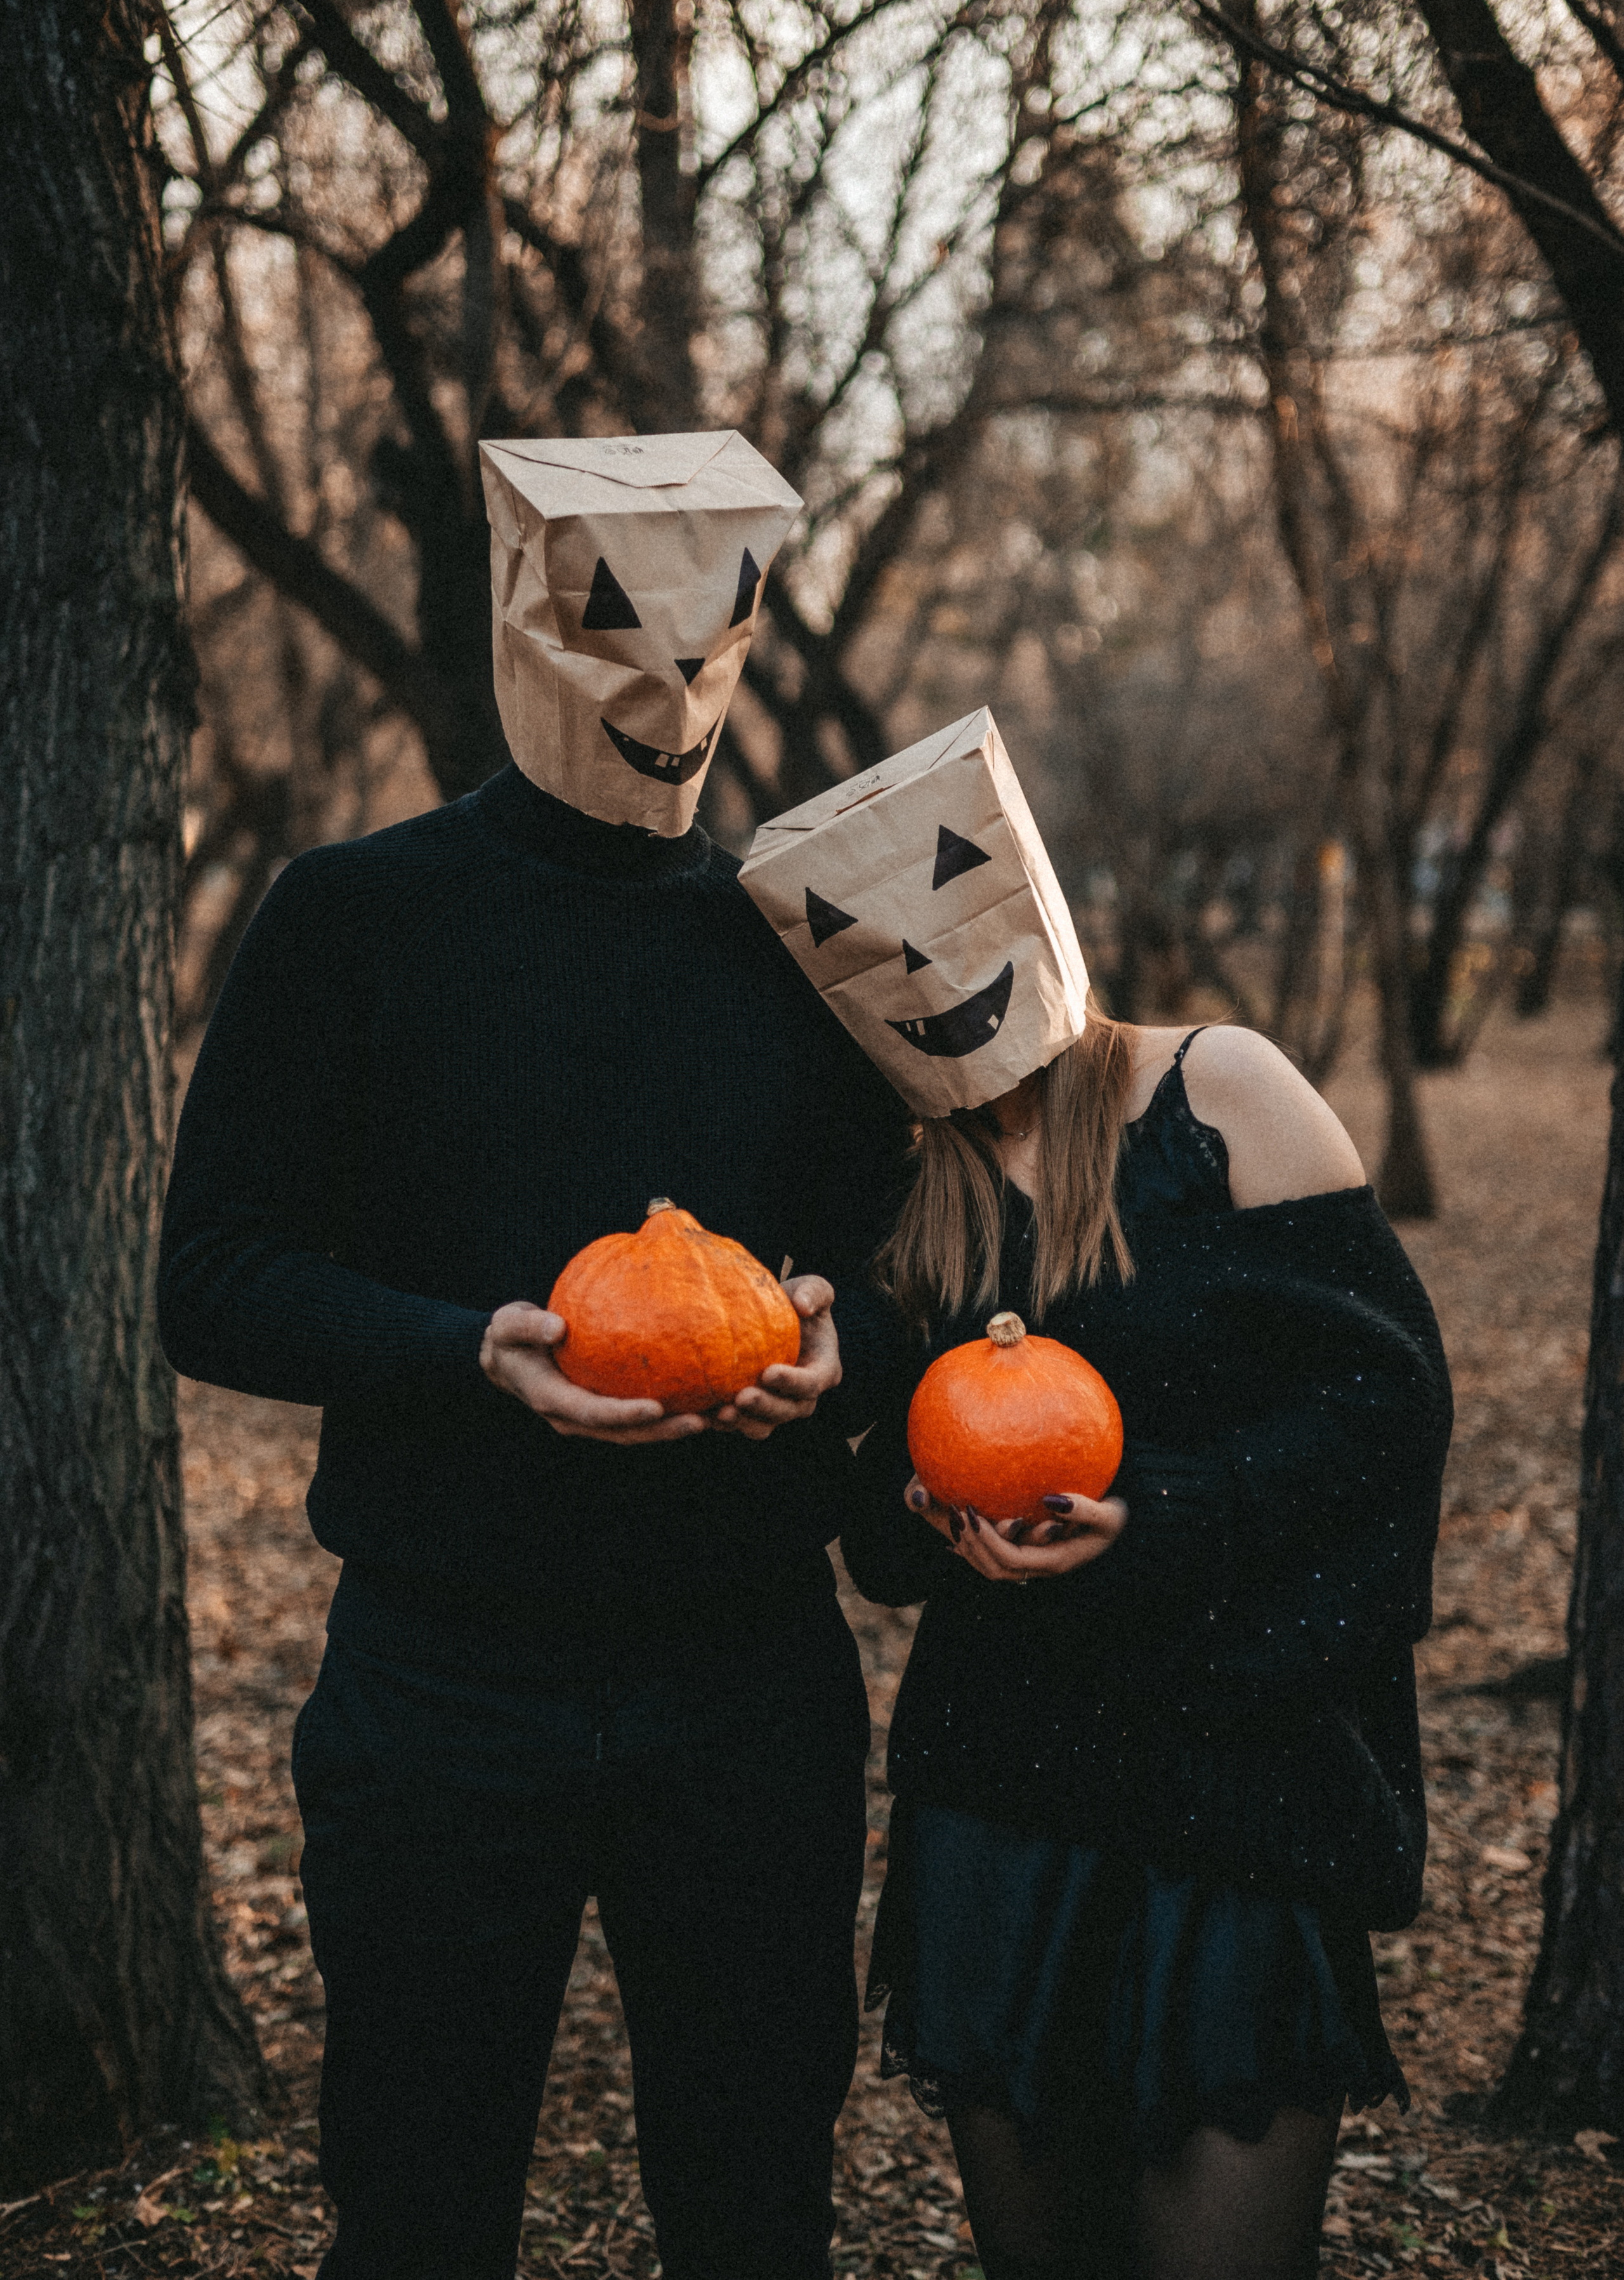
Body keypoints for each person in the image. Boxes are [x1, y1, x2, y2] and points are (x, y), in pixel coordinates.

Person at [158, 432, 910, 2280]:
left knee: (754, 2206)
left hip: (749, 1681)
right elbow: (216, 1275)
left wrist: (841, 1350)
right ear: (518, 623)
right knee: (419, 2204)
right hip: (441, 1676)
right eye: (621, 660)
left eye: (705, 661)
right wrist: (459, 1351)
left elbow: (898, 1268)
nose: (671, 708)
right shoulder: (353, 919)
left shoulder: (801, 947)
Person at [841, 1008, 1451, 2280]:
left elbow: (1380, 1410)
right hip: (1003, 1808)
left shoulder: (1212, 1092)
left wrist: (1157, 1513)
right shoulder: (907, 1167)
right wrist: (918, 1503)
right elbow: (875, 1529)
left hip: (1232, 1798)